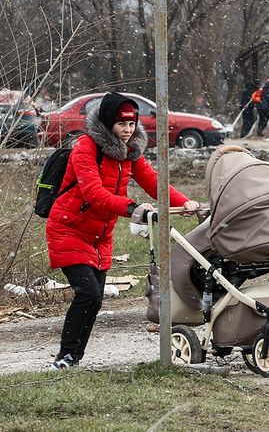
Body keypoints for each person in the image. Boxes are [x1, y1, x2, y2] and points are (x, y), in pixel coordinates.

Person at [45, 93, 198, 370]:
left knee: (95, 299)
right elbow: (93, 193)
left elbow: (153, 182)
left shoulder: (129, 151)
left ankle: (73, 359)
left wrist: (184, 202)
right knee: (88, 294)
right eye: (121, 124)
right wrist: (132, 208)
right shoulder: (86, 147)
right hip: (68, 228)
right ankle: (65, 356)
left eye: (131, 124)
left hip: (100, 235)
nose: (127, 130)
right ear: (106, 123)